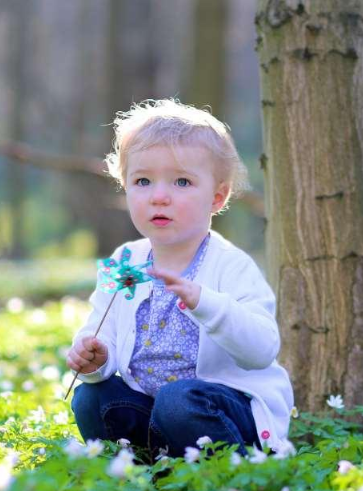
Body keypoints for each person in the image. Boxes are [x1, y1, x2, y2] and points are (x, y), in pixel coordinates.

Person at [66, 99, 294, 461]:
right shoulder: (125, 260)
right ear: (125, 187)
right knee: (91, 398)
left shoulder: (231, 266)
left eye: (182, 181)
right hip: (150, 411)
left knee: (179, 401)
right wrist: (95, 357)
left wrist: (205, 303)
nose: (159, 196)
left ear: (217, 197)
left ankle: (226, 468)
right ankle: (142, 463)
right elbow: (102, 327)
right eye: (142, 180)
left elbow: (263, 349)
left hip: (217, 413)